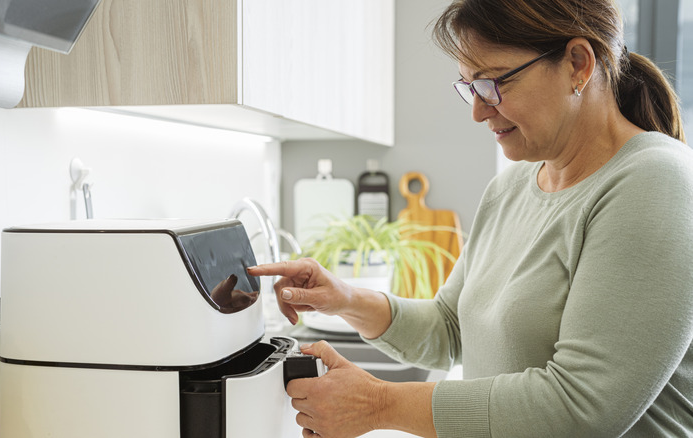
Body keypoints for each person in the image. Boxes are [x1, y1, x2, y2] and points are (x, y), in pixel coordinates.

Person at [247, 0, 693, 436]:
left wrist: (377, 404)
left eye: (493, 84)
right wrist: (344, 299)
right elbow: (450, 328)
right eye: (470, 88)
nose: (478, 111)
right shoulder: (510, 187)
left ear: (578, 64)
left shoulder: (656, 181)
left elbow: (581, 408)